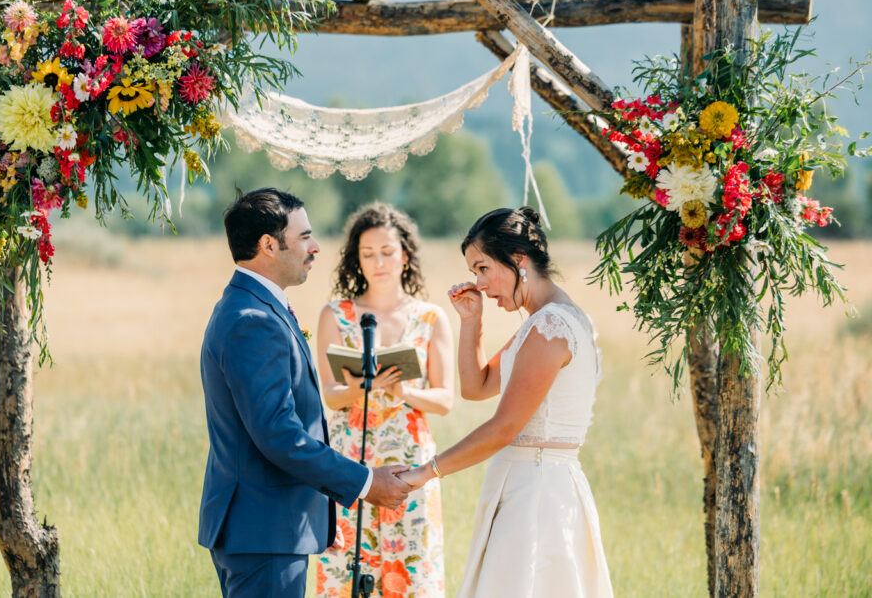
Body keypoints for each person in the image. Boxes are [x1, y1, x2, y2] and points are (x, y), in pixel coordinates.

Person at [198, 188, 413, 598]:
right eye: (304, 237)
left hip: (261, 528)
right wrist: (366, 482)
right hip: (264, 530)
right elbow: (279, 434)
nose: (315, 247)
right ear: (268, 245)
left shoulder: (250, 304)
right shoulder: (252, 318)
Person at [400, 206, 614, 598]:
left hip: (536, 496)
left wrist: (426, 472)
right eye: (474, 271)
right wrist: (471, 322)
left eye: (483, 268)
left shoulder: (550, 328)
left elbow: (504, 428)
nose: (478, 283)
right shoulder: (550, 319)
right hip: (534, 485)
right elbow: (477, 385)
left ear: (518, 260)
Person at [314, 203, 455, 598]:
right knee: (346, 572)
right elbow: (329, 395)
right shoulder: (335, 314)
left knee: (412, 571)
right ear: (356, 260)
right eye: (368, 254)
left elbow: (445, 400)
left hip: (409, 461)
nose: (379, 262)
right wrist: (365, 387)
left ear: (405, 254)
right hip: (348, 459)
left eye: (387, 252)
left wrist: (403, 391)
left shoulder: (430, 317)